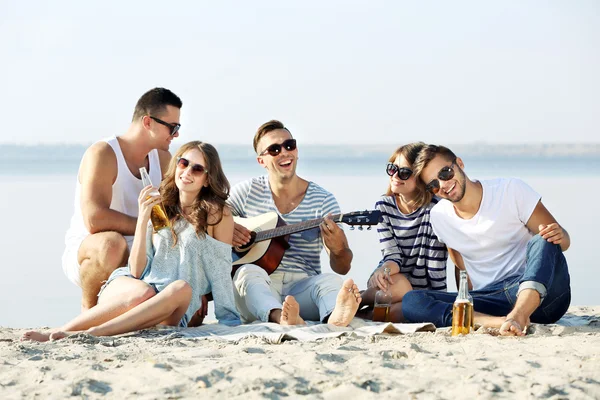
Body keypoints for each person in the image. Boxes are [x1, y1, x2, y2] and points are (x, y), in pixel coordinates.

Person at [23, 141, 241, 341]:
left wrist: (228, 317)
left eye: (197, 168)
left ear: (207, 178)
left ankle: (92, 333)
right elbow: (137, 271)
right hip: (135, 287)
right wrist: (143, 218)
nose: (187, 172)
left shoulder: (216, 214)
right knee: (143, 291)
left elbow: (220, 267)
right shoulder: (160, 208)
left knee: (181, 288)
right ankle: (57, 331)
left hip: (170, 303)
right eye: (183, 163)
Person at [401, 144, 571, 336]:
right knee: (412, 301)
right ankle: (498, 322)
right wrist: (464, 299)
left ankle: (519, 315)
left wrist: (561, 234)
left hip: (539, 295)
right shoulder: (439, 216)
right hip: (492, 301)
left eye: (446, 173)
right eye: (433, 185)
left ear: (459, 164)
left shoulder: (511, 190)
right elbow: (461, 268)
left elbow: (561, 242)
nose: (443, 185)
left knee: (542, 238)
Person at [228, 120, 362, 326]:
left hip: (302, 286)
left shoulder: (323, 199)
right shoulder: (245, 192)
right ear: (261, 160)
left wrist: (338, 250)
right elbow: (213, 217)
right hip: (260, 288)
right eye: (274, 149)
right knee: (246, 273)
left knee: (330, 281)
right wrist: (230, 228)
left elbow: (342, 268)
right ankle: (278, 317)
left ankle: (334, 317)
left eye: (289, 145)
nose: (284, 152)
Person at [62, 87, 182, 311]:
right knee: (112, 244)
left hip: (142, 247)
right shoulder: (104, 153)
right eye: (172, 127)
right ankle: (88, 312)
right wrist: (148, 225)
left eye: (178, 127)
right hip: (96, 249)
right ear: (148, 122)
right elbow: (94, 220)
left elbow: (174, 214)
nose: (176, 134)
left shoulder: (164, 158)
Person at [359, 142, 448, 322]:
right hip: (391, 278)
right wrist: (382, 271)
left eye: (405, 173)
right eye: (392, 169)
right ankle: (359, 299)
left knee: (403, 309)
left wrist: (439, 297)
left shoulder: (436, 209)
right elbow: (392, 254)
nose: (395, 176)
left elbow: (435, 262)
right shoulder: (384, 206)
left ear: (421, 178)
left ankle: (363, 314)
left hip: (421, 291)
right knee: (401, 288)